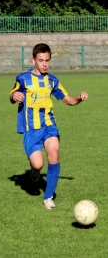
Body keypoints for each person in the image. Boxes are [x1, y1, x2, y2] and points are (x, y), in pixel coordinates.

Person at [9, 43, 88, 210]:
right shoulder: (23, 78)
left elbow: (68, 100)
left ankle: (48, 197)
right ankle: (34, 172)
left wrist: (79, 99)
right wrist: (14, 96)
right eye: (40, 60)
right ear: (33, 60)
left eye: (47, 61)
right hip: (31, 129)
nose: (44, 64)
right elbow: (12, 94)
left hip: (49, 125)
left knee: (54, 153)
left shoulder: (53, 81)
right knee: (38, 164)